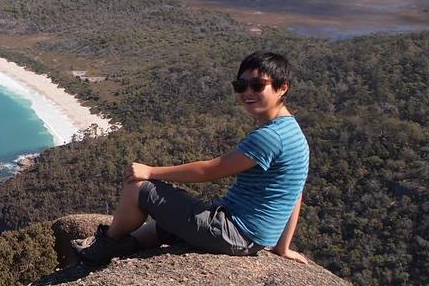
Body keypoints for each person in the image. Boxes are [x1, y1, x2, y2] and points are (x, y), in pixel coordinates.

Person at [74, 51, 310, 265]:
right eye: (241, 84)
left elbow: (211, 171)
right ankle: (127, 246)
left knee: (138, 188)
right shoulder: (292, 132)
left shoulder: (271, 137)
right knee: (161, 226)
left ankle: (105, 246)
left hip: (234, 232)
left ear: (282, 88)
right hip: (249, 235)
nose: (247, 92)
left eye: (258, 85)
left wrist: (150, 172)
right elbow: (294, 192)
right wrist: (282, 247)